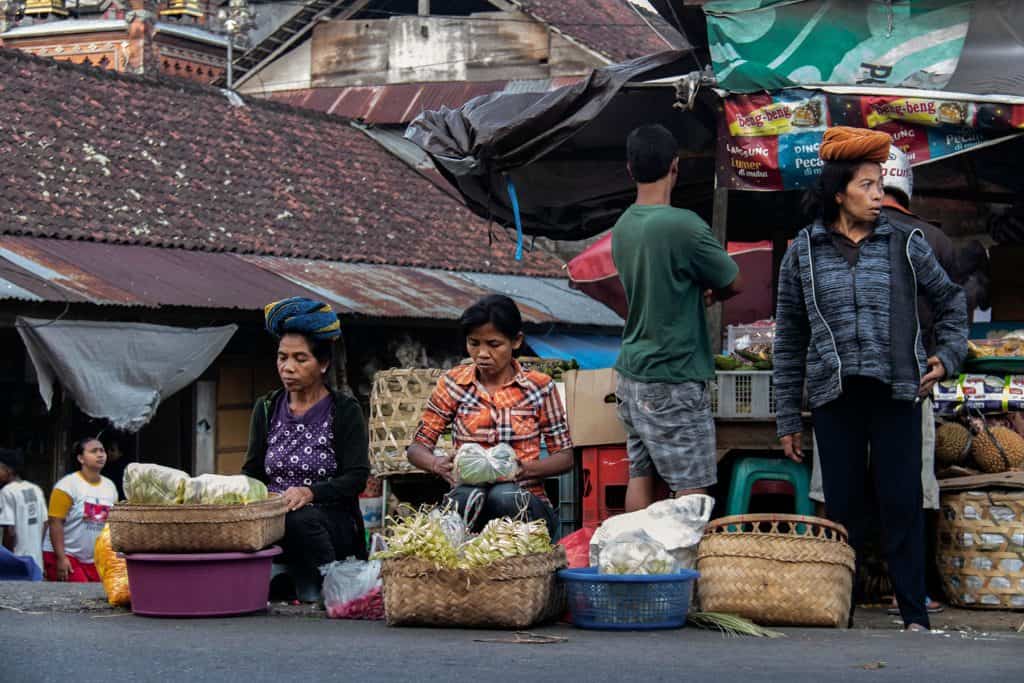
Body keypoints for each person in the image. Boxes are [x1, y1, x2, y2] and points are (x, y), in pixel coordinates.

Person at [774, 126, 968, 631]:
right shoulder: (804, 252)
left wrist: (946, 357)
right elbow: (790, 337)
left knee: (902, 501)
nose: (879, 195)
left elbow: (951, 301)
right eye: (867, 185)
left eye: (880, 184)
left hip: (898, 390)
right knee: (843, 508)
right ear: (839, 194)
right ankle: (842, 610)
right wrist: (785, 418)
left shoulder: (906, 242)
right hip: (835, 397)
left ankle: (913, 615)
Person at [611, 124, 743, 512]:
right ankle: (684, 571)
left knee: (641, 474)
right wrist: (710, 292)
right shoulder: (683, 226)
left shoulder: (623, 227)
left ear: (630, 169)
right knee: (692, 487)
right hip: (673, 373)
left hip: (632, 372)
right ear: (676, 166)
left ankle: (635, 564)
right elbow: (734, 281)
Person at [407, 295, 574, 535]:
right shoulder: (453, 384)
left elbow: (565, 457)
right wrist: (436, 465)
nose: (482, 353)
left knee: (503, 494)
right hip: (470, 497)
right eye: (474, 343)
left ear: (516, 341)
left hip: (524, 504)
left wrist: (523, 469)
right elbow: (416, 449)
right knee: (467, 496)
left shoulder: (539, 387)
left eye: (493, 344)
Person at [243, 297, 370, 596]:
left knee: (300, 517)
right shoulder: (266, 408)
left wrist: (309, 492)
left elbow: (356, 477)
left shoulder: (344, 410)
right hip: (276, 515)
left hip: (330, 521)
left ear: (323, 363)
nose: (288, 368)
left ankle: (337, 589)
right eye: (282, 357)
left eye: (300, 359)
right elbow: (252, 472)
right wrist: (263, 496)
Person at [42, 438, 118, 582]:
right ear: (81, 458)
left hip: (93, 558)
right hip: (65, 554)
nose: (100, 454)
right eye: (93, 451)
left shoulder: (110, 487)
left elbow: (111, 525)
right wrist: (61, 558)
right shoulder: (66, 485)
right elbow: (54, 523)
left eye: (102, 450)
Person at [0, 448, 46, 575]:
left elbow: (10, 530)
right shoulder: (35, 489)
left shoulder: (7, 491)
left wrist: (8, 559)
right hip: (36, 562)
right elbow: (45, 523)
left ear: (8, 470)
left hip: (18, 562)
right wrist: (37, 546)